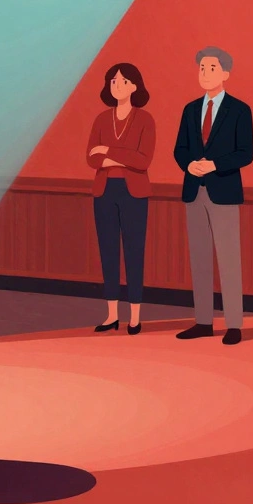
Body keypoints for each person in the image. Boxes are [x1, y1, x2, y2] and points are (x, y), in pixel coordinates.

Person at [173, 48, 253, 345]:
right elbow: (179, 148)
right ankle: (203, 321)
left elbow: (246, 153)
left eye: (211, 67)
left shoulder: (240, 110)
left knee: (229, 260)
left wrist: (216, 164)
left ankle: (234, 325)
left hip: (224, 191)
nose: (204, 72)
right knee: (200, 259)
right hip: (194, 191)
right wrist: (189, 164)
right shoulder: (190, 109)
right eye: (201, 68)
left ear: (225, 73)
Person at [86, 62, 155, 335]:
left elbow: (143, 160)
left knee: (134, 252)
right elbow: (91, 158)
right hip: (104, 192)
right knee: (108, 252)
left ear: (135, 86)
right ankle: (112, 314)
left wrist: (109, 152)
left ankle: (135, 316)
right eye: (113, 81)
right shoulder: (102, 119)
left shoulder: (145, 119)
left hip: (134, 193)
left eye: (123, 81)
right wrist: (118, 155)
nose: (117, 85)